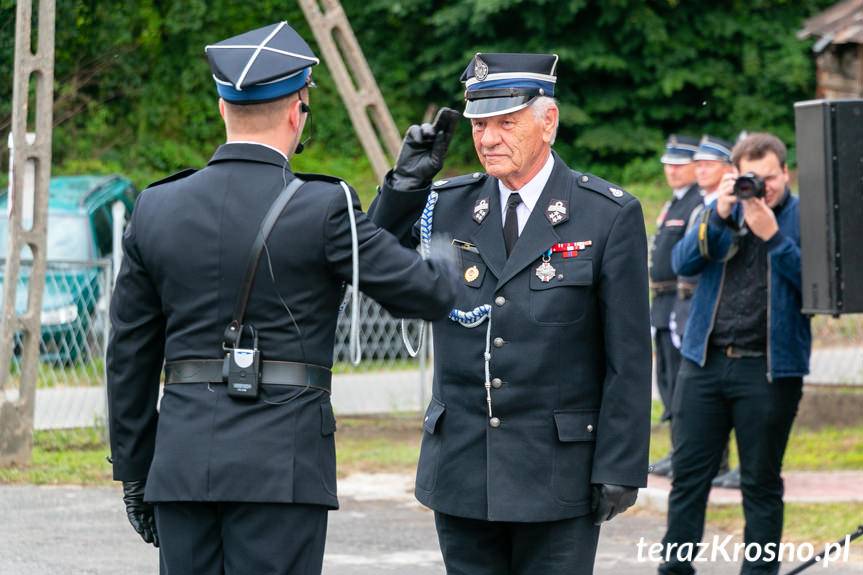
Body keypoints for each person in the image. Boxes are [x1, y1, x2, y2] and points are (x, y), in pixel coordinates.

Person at [107, 21, 457, 575]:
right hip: (282, 468)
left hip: (180, 467)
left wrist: (134, 470)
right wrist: (449, 251)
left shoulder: (156, 207)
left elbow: (128, 356)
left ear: (224, 109)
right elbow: (421, 290)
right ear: (298, 112)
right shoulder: (322, 207)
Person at [369, 52, 652, 575]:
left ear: (549, 122)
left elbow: (629, 355)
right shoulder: (446, 205)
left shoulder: (606, 214)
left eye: (506, 122)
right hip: (463, 469)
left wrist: (621, 463)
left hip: (558, 473)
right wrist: (403, 187)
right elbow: (369, 260)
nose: (488, 139)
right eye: (479, 124)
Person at [660, 133, 811, 575]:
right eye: (752, 179)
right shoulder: (718, 210)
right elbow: (682, 264)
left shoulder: (806, 216)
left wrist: (775, 237)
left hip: (768, 368)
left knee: (760, 484)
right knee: (688, 479)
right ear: (735, 177)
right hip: (704, 362)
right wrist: (722, 214)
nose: (762, 188)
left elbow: (817, 290)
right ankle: (674, 569)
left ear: (786, 173)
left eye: (770, 179)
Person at [677, 134, 739, 489]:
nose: (699, 169)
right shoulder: (702, 207)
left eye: (708, 164)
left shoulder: (731, 206)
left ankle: (723, 462)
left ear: (729, 170)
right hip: (691, 306)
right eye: (696, 164)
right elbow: (681, 260)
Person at [649, 135, 702, 479]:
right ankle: (677, 450)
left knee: (686, 385)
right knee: (667, 382)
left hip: (682, 301)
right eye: (669, 165)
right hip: (662, 300)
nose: (673, 171)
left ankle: (695, 455)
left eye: (680, 165)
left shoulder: (698, 202)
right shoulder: (673, 203)